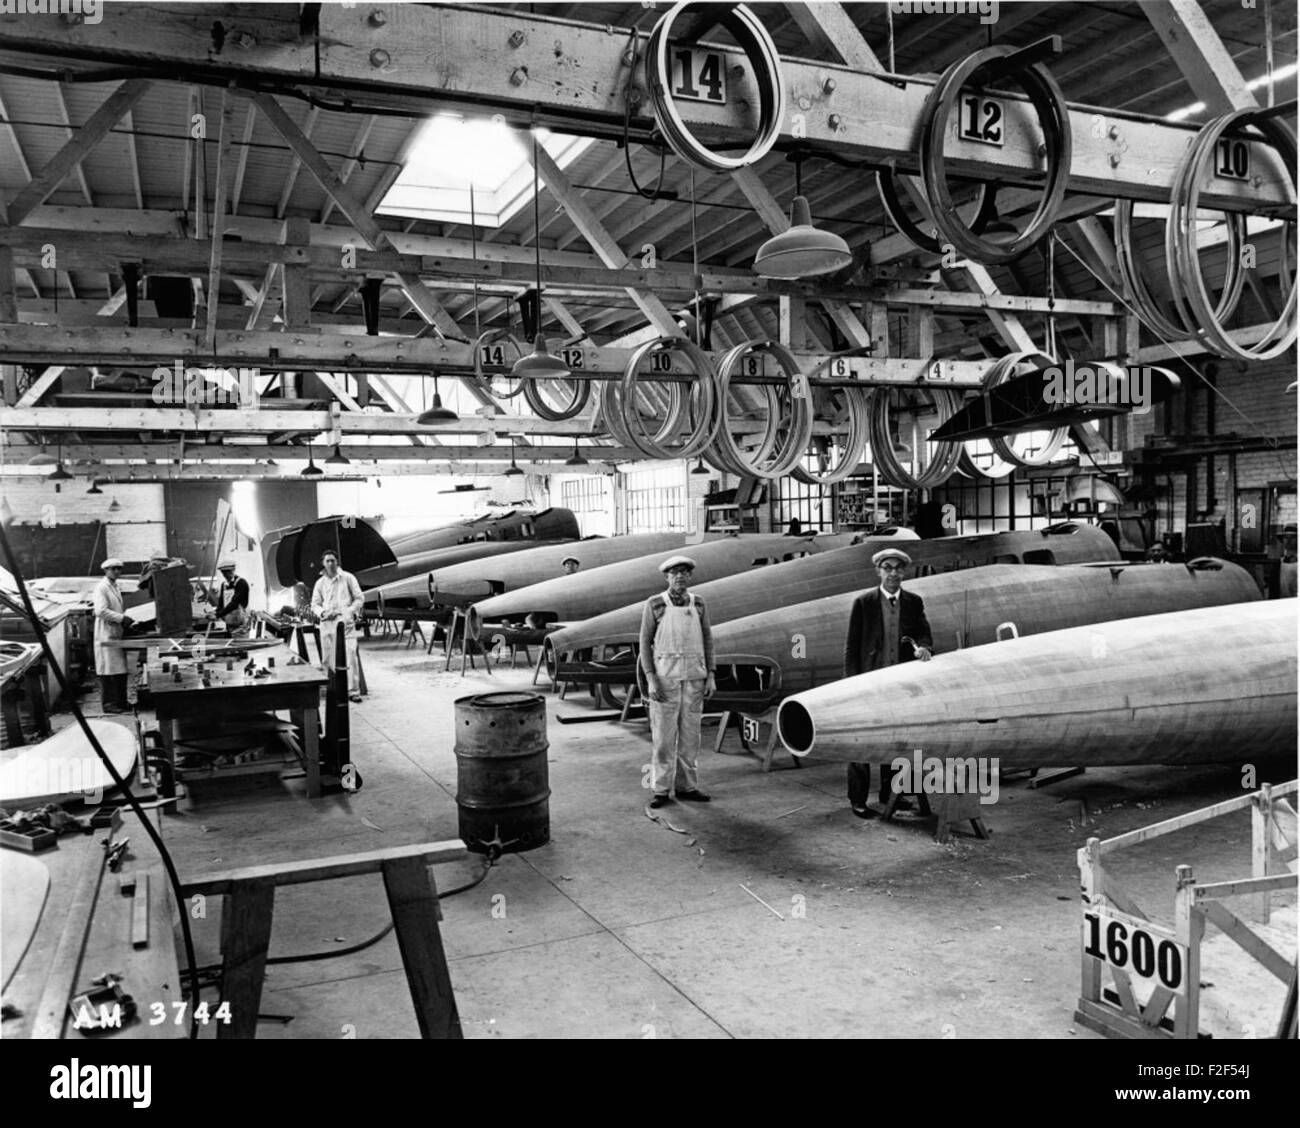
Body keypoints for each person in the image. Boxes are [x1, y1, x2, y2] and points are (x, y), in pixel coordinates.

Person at [843, 548, 933, 818]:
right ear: (879, 571)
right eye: (888, 568)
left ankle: (890, 794)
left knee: (897, 740)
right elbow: (852, 646)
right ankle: (858, 800)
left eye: (898, 568)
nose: (893, 573)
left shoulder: (914, 602)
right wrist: (851, 685)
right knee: (861, 741)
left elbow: (924, 634)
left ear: (904, 571)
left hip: (900, 686)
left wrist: (925, 648)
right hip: (869, 685)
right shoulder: (863, 603)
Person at [638, 556, 716, 808]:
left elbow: (708, 639)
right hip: (665, 681)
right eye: (674, 573)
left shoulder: (700, 603)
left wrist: (711, 675)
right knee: (662, 739)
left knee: (691, 738)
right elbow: (644, 645)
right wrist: (650, 679)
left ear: (690, 576)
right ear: (666, 577)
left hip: (694, 679)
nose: (680, 576)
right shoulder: (655, 604)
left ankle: (687, 787)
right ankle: (660, 789)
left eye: (684, 572)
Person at [311, 549, 364, 703]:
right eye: (327, 561)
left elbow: (359, 598)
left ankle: (353, 691)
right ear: (323, 563)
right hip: (327, 624)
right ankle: (331, 689)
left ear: (337, 562)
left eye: (332, 560)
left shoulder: (348, 578)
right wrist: (323, 613)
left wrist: (348, 612)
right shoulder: (320, 583)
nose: (330, 563)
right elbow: (315, 604)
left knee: (350, 656)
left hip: (345, 624)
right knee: (328, 659)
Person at [92, 558, 135, 714]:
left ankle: (121, 702)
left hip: (115, 633)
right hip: (106, 633)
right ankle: (109, 704)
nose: (117, 571)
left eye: (119, 569)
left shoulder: (115, 586)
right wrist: (122, 618)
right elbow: (100, 611)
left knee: (119, 670)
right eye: (113, 569)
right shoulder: (102, 587)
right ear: (106, 570)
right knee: (108, 671)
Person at [212, 559, 251, 637]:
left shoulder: (241, 583)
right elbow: (221, 603)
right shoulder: (224, 585)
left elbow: (234, 603)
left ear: (233, 570)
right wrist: (215, 613)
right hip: (229, 621)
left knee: (240, 643)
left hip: (241, 621)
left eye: (229, 572)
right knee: (230, 642)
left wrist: (218, 615)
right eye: (224, 573)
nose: (226, 575)